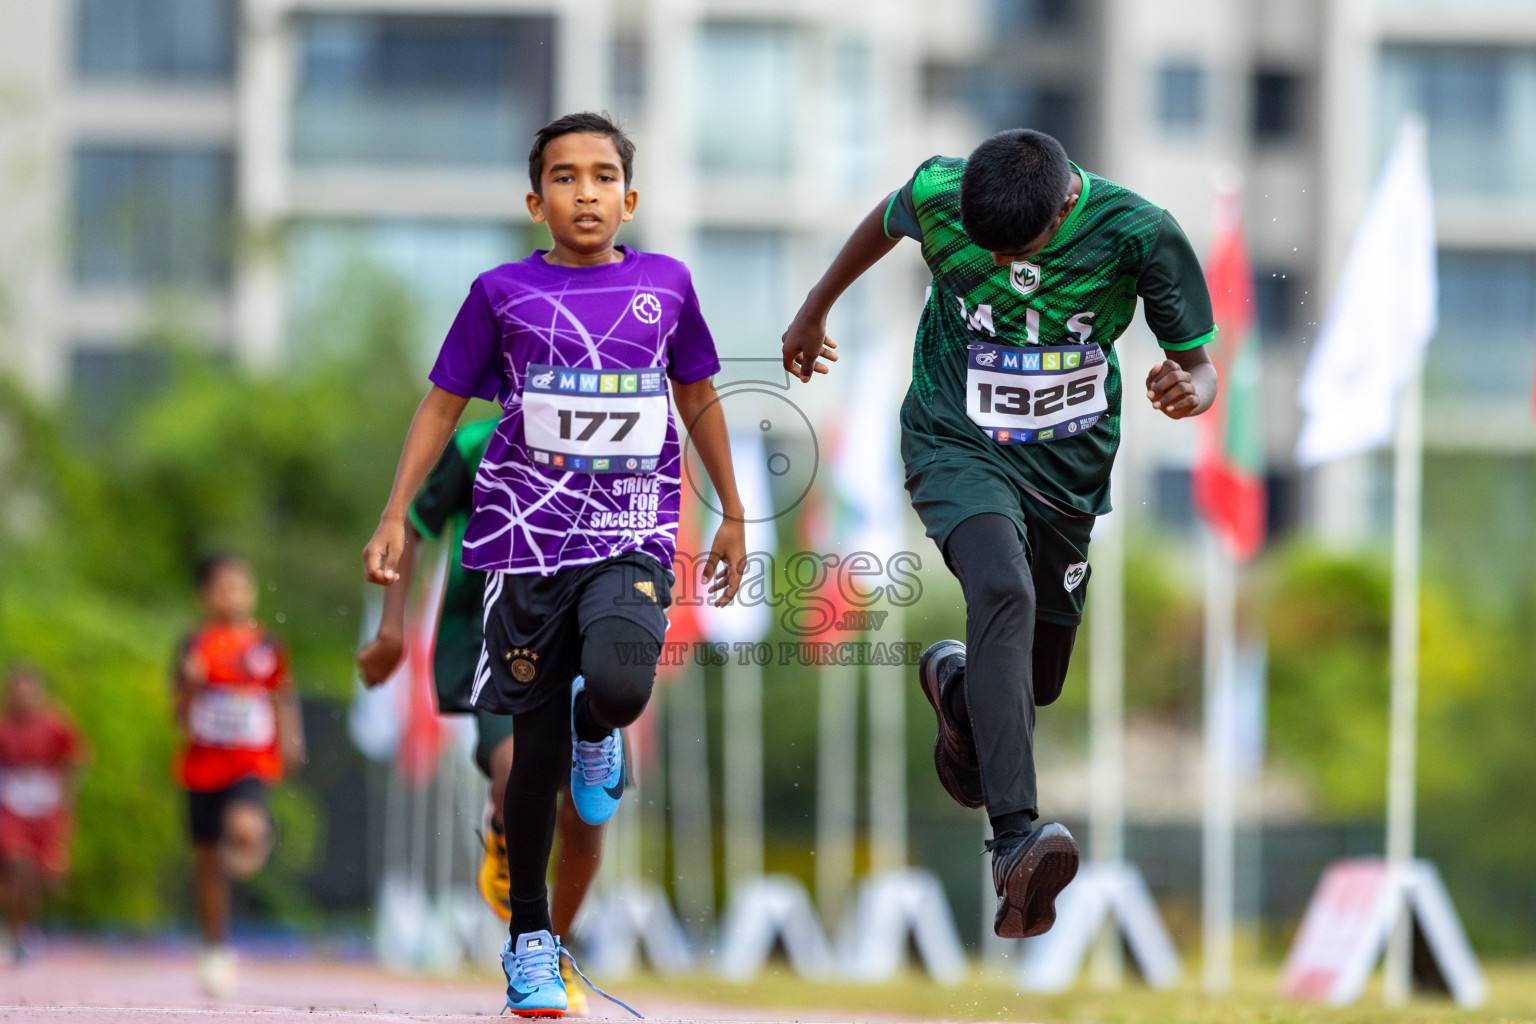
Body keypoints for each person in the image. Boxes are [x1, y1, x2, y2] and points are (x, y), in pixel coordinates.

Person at [781, 129, 1218, 939]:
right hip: (956, 442)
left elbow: (1199, 362)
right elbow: (885, 218)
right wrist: (814, 309)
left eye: (1022, 248)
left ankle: (954, 689)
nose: (1006, 268)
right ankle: (1015, 843)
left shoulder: (1139, 231)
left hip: (1065, 476)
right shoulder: (941, 193)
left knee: (1031, 681)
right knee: (1000, 590)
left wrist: (1187, 384)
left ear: (1061, 210)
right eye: (987, 251)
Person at [362, 111, 748, 1018]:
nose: (586, 192)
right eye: (566, 178)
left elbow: (697, 394)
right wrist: (391, 513)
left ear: (630, 197)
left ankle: (598, 722)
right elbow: (440, 405)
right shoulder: (500, 293)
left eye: (604, 176)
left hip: (634, 530)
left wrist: (733, 512)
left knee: (618, 684)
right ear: (536, 202)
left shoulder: (667, 286)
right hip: (524, 546)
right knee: (527, 755)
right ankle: (531, 946)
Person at [356, 417, 604, 1015]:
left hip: (585, 630)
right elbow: (413, 527)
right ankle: (508, 834)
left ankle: (553, 952)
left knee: (586, 813)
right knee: (520, 769)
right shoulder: (475, 444)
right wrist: (392, 631)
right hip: (496, 633)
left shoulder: (608, 430)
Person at [173, 553, 306, 997]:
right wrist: (191, 684)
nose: (234, 595)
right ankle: (216, 947)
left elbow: (282, 695)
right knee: (208, 864)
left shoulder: (265, 645)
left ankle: (252, 837)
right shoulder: (193, 646)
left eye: (241, 586)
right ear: (204, 595)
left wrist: (292, 739)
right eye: (223, 586)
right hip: (202, 768)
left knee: (243, 824)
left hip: (250, 762)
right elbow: (177, 715)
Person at [0, 664, 88, 961]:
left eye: (29, 692)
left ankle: (26, 927)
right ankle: (17, 934)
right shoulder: (3, 727)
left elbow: (76, 758)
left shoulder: (55, 725)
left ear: (39, 694)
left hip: (46, 811)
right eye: (17, 693)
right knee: (17, 865)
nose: (23, 699)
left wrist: (65, 796)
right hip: (12, 809)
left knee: (42, 878)